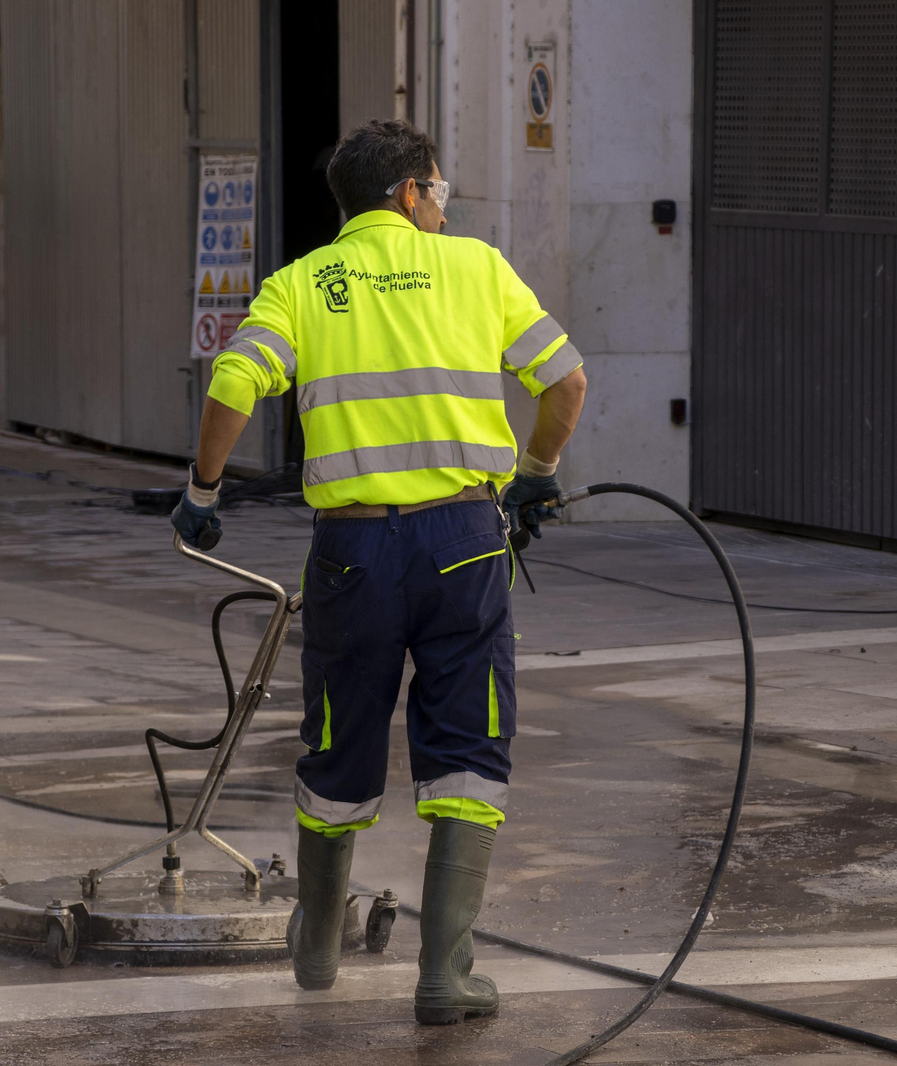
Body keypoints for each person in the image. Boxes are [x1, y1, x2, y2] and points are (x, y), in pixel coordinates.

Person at [171, 119, 586, 1025]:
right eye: (439, 191)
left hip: (351, 551)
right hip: (466, 542)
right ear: (408, 192)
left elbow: (233, 384)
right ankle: (445, 974)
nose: (445, 208)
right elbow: (566, 382)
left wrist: (203, 490)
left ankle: (318, 945)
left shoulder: (302, 283)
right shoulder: (477, 268)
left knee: (338, 738)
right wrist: (536, 474)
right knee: (469, 748)